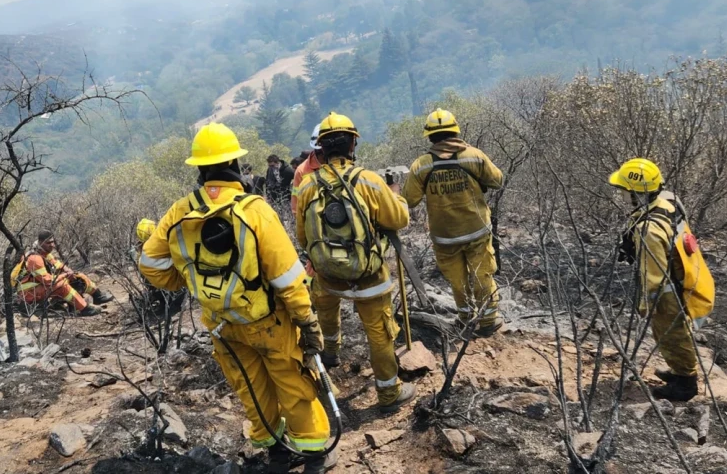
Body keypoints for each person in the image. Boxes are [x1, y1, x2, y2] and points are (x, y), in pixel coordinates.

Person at [139, 123, 335, 473]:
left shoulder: (179, 212)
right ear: (234, 164)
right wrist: (306, 321)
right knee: (293, 384)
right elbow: (288, 277)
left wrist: (188, 279)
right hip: (269, 322)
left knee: (252, 389)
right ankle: (315, 457)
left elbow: (150, 264)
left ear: (198, 168)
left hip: (223, 325)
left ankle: (277, 456)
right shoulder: (253, 209)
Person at [295, 112, 416, 414]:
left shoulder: (307, 185)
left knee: (326, 314)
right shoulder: (370, 182)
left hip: (326, 276)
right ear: (352, 145)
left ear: (321, 148)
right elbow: (399, 219)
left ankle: (331, 352)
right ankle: (389, 394)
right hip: (368, 277)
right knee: (379, 333)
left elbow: (302, 237)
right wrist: (396, 195)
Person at [609, 158, 714, 402]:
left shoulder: (650, 229)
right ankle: (679, 371)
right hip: (685, 277)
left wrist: (646, 305)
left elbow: (652, 273)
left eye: (626, 193)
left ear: (639, 194)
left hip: (669, 291)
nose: (623, 198)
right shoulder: (668, 200)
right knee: (672, 334)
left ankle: (685, 384)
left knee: (671, 334)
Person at [401, 108, 504, 338]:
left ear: (429, 136)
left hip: (444, 237)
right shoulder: (474, 156)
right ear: (455, 132)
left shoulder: (421, 165)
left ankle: (466, 318)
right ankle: (488, 320)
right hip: (476, 230)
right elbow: (497, 181)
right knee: (482, 274)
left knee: (457, 279)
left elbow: (409, 199)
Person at [12, 230, 113, 316]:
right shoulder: (34, 258)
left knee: (78, 277)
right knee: (61, 285)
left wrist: (69, 272)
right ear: (41, 242)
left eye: (52, 242)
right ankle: (84, 309)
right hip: (28, 292)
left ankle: (98, 296)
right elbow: (47, 281)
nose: (52, 245)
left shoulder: (43, 253)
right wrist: (64, 275)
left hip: (38, 287)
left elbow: (58, 265)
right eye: (48, 243)